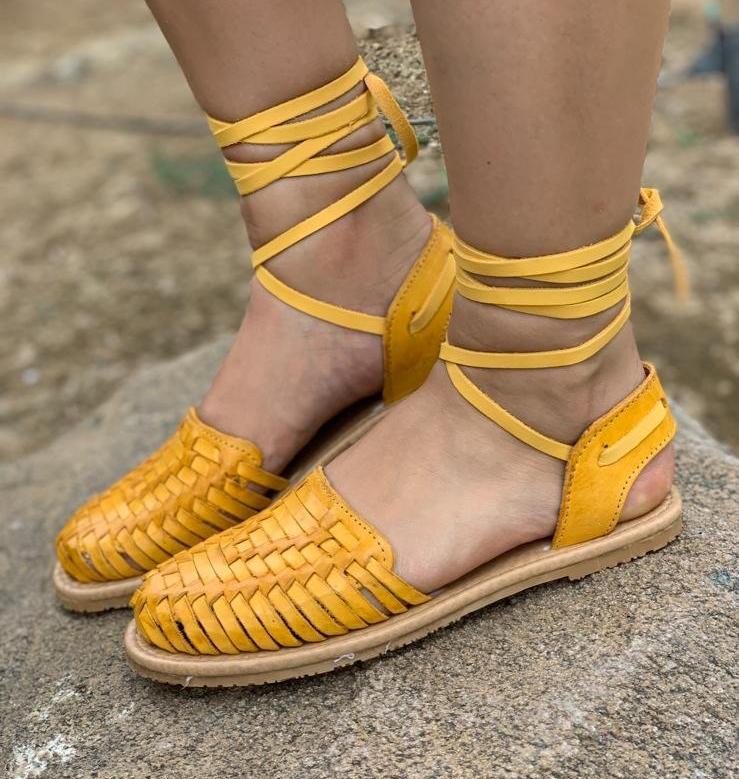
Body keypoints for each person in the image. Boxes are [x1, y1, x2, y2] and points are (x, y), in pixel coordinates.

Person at [55, 1, 684, 686]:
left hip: (548, 404)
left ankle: (549, 383)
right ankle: (335, 243)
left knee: (542, 339)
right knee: (311, 197)